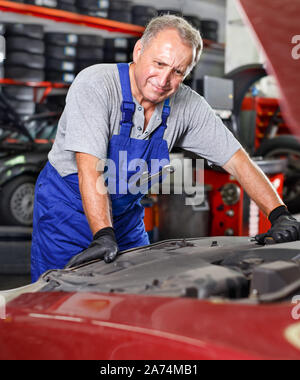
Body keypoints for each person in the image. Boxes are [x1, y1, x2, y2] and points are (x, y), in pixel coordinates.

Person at [30, 15, 300, 282]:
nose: (163, 79)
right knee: (57, 294)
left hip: (124, 218)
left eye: (178, 71)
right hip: (67, 213)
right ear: (139, 51)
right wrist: (102, 234)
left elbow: (238, 160)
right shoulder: (96, 85)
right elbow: (89, 169)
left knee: (139, 289)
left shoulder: (188, 106)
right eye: (158, 63)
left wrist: (279, 214)